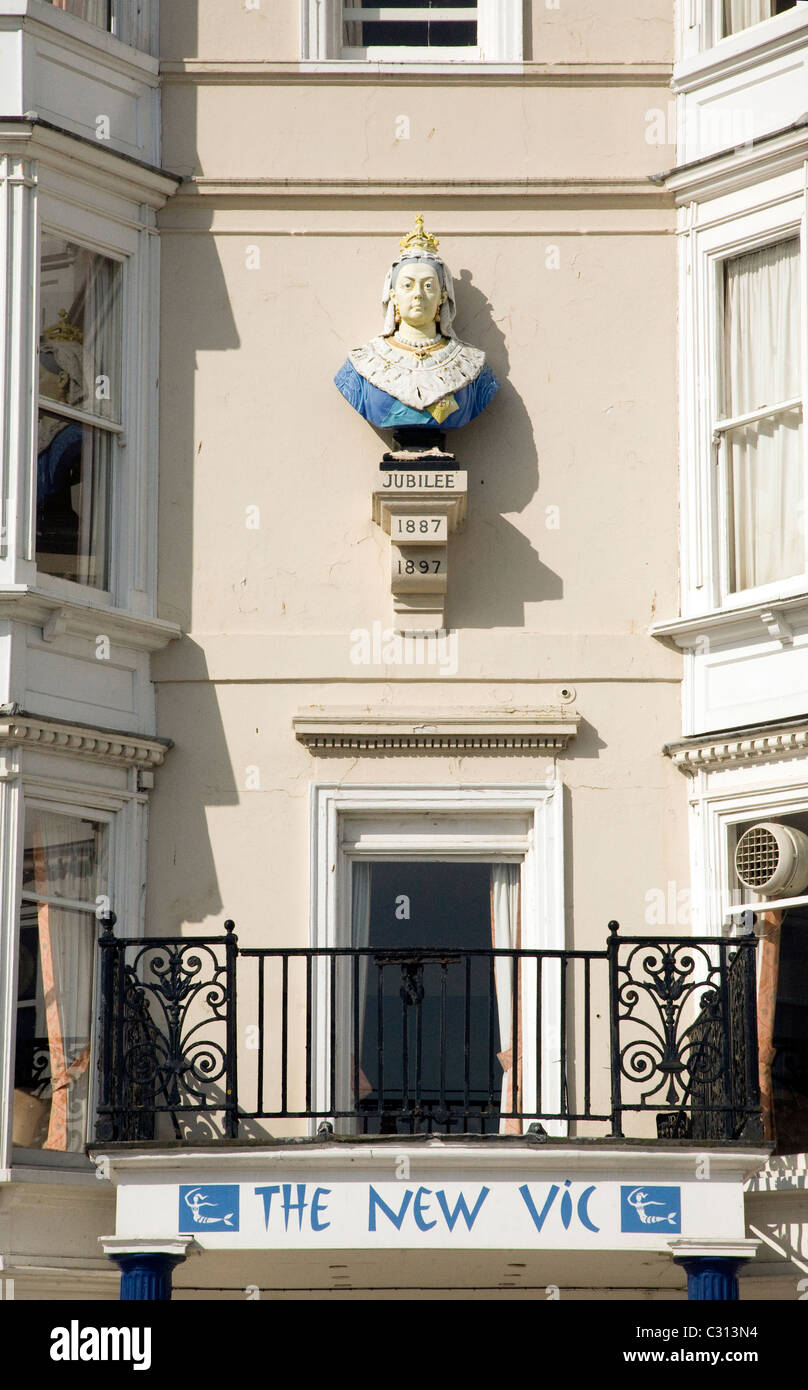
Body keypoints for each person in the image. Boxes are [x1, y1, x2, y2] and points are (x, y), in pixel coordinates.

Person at [335, 216, 499, 432]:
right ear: (393, 295)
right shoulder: (362, 364)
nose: (418, 295)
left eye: (428, 286)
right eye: (408, 285)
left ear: (442, 296)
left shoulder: (472, 365)